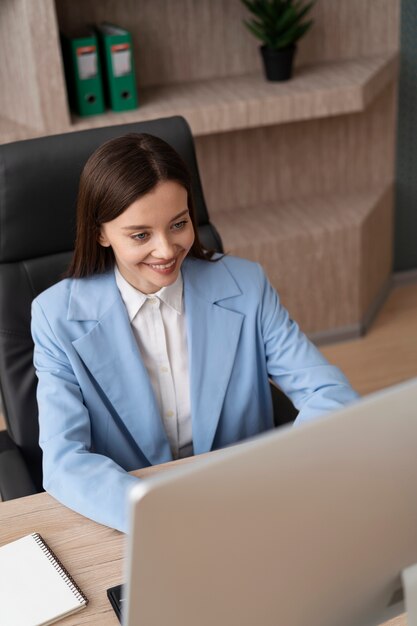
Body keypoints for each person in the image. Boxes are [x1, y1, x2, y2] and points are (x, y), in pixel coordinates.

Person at [31, 133, 359, 533]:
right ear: (101, 233)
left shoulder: (246, 284)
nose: (166, 250)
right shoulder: (55, 316)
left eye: (178, 224)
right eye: (140, 235)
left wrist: (280, 480)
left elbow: (330, 394)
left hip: (247, 503)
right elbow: (65, 460)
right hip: (134, 518)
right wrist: (164, 519)